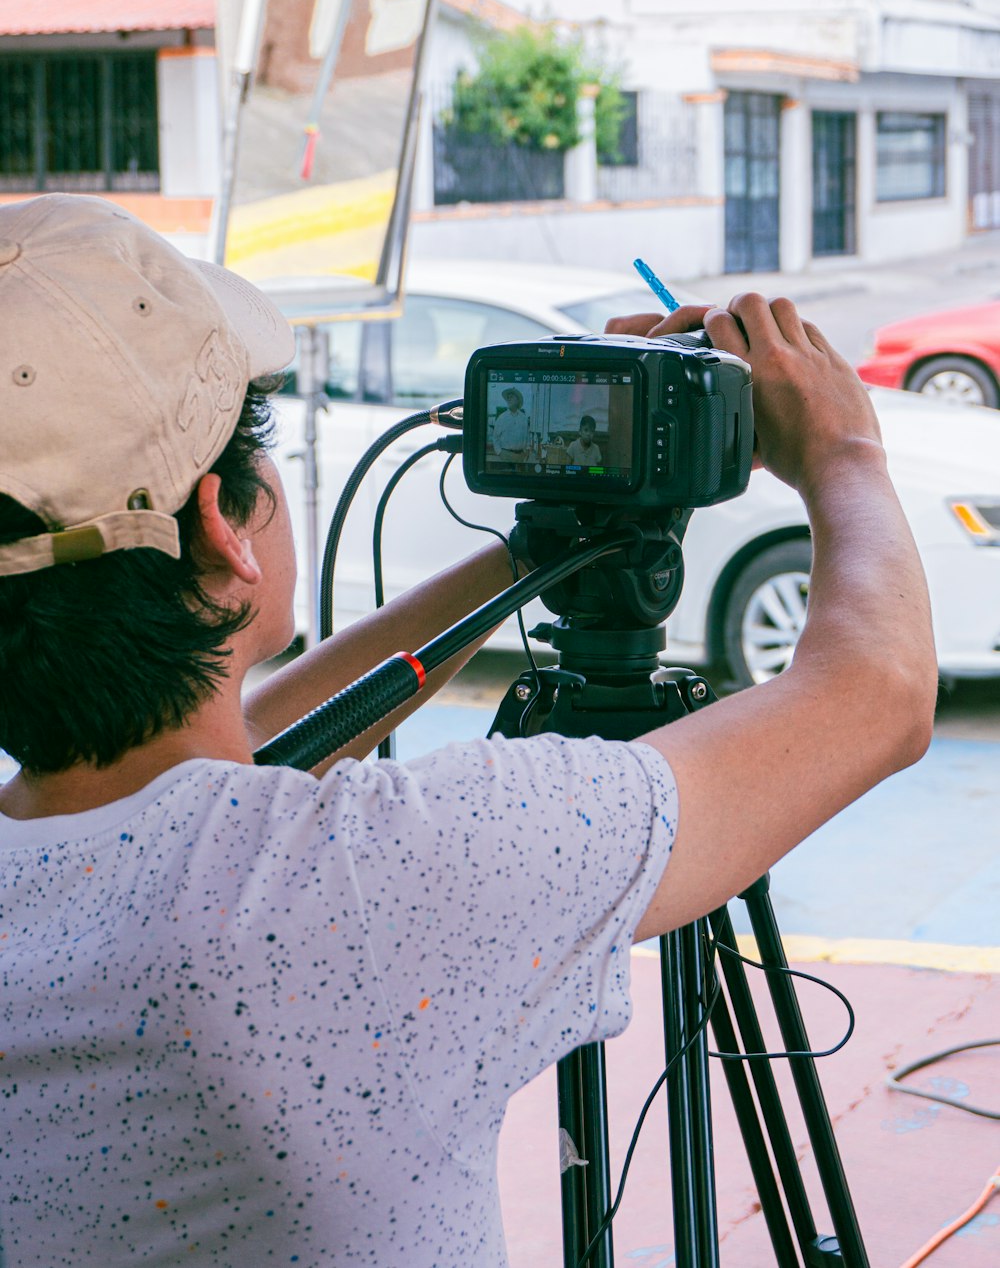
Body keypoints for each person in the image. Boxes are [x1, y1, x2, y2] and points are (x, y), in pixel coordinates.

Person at [0, 194, 936, 1267]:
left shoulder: (99, 858)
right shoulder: (385, 878)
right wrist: (844, 452)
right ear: (225, 526)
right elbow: (880, 691)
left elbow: (230, 765)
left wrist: (543, 546)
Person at [491, 384, 529, 456]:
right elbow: (495, 437)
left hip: (520, 455)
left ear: (517, 400)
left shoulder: (524, 418)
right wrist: (500, 452)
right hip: (506, 454)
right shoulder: (502, 418)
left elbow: (527, 436)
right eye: (508, 398)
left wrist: (526, 451)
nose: (509, 399)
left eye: (511, 397)